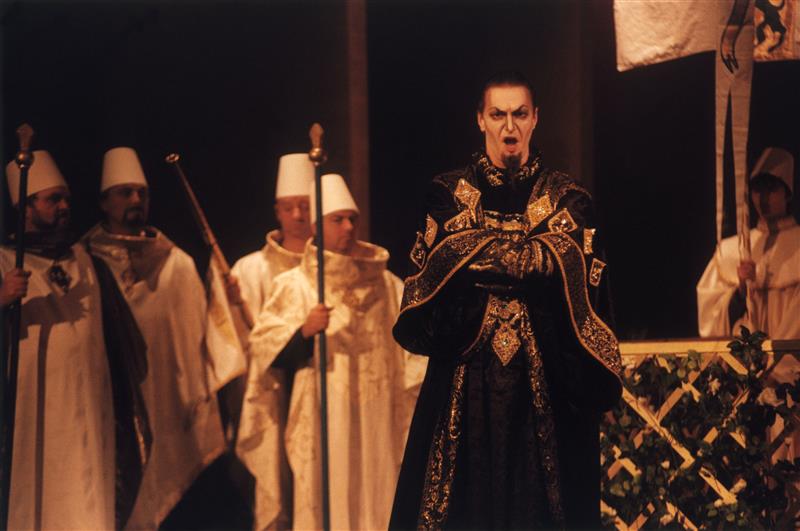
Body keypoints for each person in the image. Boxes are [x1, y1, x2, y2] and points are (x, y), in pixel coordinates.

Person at [389, 71, 623, 529]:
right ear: (480, 119)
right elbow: (444, 261)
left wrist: (477, 254)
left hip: (547, 386)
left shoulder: (568, 198)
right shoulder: (448, 193)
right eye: (498, 115)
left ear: (535, 119)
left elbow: (564, 260)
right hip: (465, 383)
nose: (509, 127)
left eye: (519, 114)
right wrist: (537, 258)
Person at [245, 173, 426, 530]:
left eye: (352, 219)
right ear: (316, 226)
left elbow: (414, 353)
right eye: (337, 219)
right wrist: (303, 333)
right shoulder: (296, 285)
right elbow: (264, 352)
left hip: (380, 418)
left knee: (379, 496)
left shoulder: (388, 285)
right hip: (323, 415)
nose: (348, 227)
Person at [1, 151, 150, 529]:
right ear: (26, 207)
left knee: (89, 494)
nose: (65, 206)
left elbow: (123, 341)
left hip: (91, 405)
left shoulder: (88, 261)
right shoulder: (4, 263)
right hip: (33, 412)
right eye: (53, 200)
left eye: (66, 198)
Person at [82, 146, 226, 529]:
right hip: (110, 400)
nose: (135, 200)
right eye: (125, 193)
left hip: (165, 400)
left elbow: (201, 339)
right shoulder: (85, 263)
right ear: (104, 202)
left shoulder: (176, 265)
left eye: (141, 193)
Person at [232, 153, 314, 530]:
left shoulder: (334, 268)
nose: (298, 215)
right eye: (290, 207)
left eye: (306, 206)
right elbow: (236, 343)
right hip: (272, 389)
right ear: (277, 211)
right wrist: (230, 305)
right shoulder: (250, 270)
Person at [697, 146, 799, 340]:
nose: (763, 199)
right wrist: (740, 290)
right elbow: (711, 319)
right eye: (757, 190)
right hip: (747, 355)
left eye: (771, 190)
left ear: (787, 194)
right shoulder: (732, 249)